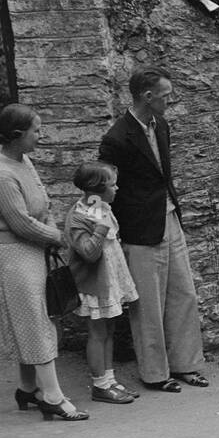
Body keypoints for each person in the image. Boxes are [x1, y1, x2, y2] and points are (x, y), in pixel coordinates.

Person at [97, 68, 208, 392]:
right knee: (147, 303)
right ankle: (156, 374)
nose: (169, 100)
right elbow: (105, 187)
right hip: (139, 228)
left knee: (183, 293)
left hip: (169, 218)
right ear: (148, 97)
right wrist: (115, 231)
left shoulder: (162, 127)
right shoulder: (116, 138)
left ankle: (186, 365)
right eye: (165, 94)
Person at [0, 104, 89, 421]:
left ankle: (28, 388)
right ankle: (52, 396)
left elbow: (42, 203)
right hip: (12, 256)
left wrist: (51, 229)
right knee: (36, 322)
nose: (41, 136)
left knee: (34, 318)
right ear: (16, 136)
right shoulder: (1, 176)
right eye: (36, 131)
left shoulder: (23, 161)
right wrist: (59, 237)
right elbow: (20, 223)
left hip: (33, 251)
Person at [64, 162, 140, 404]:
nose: (117, 188)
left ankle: (110, 379)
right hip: (94, 286)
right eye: (112, 184)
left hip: (108, 282)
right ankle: (99, 384)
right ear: (96, 189)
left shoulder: (100, 208)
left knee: (109, 330)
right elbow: (89, 253)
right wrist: (100, 229)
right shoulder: (78, 217)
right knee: (97, 333)